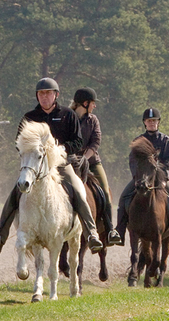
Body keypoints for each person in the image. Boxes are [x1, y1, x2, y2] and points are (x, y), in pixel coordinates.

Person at [0, 78, 104, 255]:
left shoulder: (67, 115)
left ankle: (92, 234)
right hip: (35, 166)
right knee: (15, 192)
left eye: (48, 93)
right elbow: (18, 142)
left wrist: (62, 148)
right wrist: (28, 154)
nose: (44, 96)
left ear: (56, 95)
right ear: (37, 96)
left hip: (62, 164)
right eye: (41, 93)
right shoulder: (29, 117)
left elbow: (78, 141)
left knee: (78, 190)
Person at [115, 108, 169, 248]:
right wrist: (137, 177)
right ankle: (119, 232)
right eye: (149, 121)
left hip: (160, 178)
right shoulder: (138, 140)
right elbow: (132, 161)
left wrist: (164, 178)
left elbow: (168, 162)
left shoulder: (166, 140)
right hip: (142, 177)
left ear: (158, 123)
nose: (152, 123)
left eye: (154, 121)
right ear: (145, 123)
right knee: (123, 197)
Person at [70, 87, 122, 245]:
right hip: (69, 161)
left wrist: (85, 157)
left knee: (105, 190)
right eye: (93, 103)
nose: (94, 106)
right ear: (85, 103)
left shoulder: (93, 120)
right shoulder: (67, 118)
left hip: (92, 162)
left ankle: (110, 228)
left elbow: (96, 142)